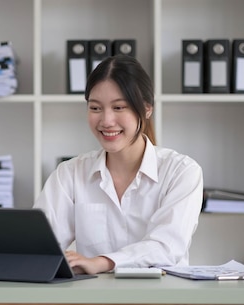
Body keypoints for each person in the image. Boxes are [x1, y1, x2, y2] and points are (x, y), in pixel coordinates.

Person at [33, 54, 203, 275]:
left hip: (162, 298)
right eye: (95, 108)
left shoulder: (181, 172)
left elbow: (167, 247)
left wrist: (102, 262)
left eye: (119, 107)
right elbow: (40, 245)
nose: (106, 121)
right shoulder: (70, 174)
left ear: (147, 109)